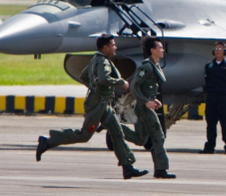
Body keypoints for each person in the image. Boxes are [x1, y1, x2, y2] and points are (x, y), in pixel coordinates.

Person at [35, 34, 148, 180]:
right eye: (113, 45)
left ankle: (128, 167)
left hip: (103, 104)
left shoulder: (96, 59)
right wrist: (121, 83)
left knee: (117, 132)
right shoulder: (103, 62)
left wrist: (95, 88)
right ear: (105, 47)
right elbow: (104, 78)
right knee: (84, 135)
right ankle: (48, 141)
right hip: (97, 106)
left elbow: (84, 77)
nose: (115, 47)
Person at [121, 36, 176, 179]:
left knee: (141, 139)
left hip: (146, 106)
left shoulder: (154, 66)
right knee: (158, 135)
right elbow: (134, 86)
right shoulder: (146, 67)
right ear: (152, 50)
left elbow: (147, 88)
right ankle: (161, 169)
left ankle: (115, 128)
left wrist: (153, 100)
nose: (162, 50)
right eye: (160, 48)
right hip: (144, 108)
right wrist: (146, 102)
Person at [200, 41, 226, 154]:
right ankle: (210, 146)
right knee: (210, 122)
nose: (217, 50)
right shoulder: (209, 66)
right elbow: (207, 80)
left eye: (220, 48)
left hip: (224, 97)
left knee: (225, 122)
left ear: (225, 51)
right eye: (216, 48)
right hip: (212, 96)